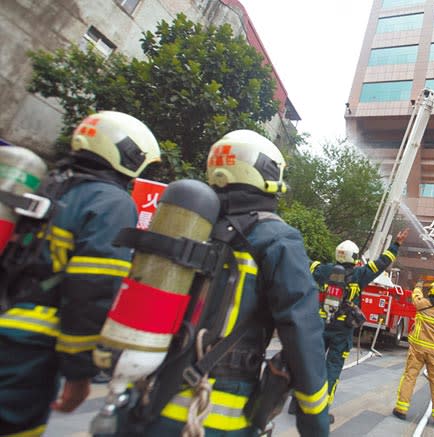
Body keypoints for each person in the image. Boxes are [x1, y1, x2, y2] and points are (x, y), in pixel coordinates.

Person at [118, 129, 330, 436]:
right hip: (212, 414)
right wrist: (315, 420)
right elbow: (303, 332)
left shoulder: (184, 223)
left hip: (143, 394)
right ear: (267, 173)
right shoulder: (277, 239)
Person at [0, 111, 161, 436]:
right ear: (128, 153)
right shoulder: (111, 202)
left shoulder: (46, 185)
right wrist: (79, 372)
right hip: (30, 344)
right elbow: (94, 288)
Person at [309, 228, 408, 422]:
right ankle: (320, 412)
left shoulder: (324, 270)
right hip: (342, 331)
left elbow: (306, 264)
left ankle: (299, 404)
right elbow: (382, 263)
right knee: (333, 369)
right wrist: (396, 244)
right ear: (353, 257)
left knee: (311, 366)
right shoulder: (360, 274)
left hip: (321, 326)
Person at [393, 280, 434, 427]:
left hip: (418, 349)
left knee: (410, 377)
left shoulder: (423, 303)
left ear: (430, 292)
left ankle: (401, 409)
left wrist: (418, 287)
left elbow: (415, 298)